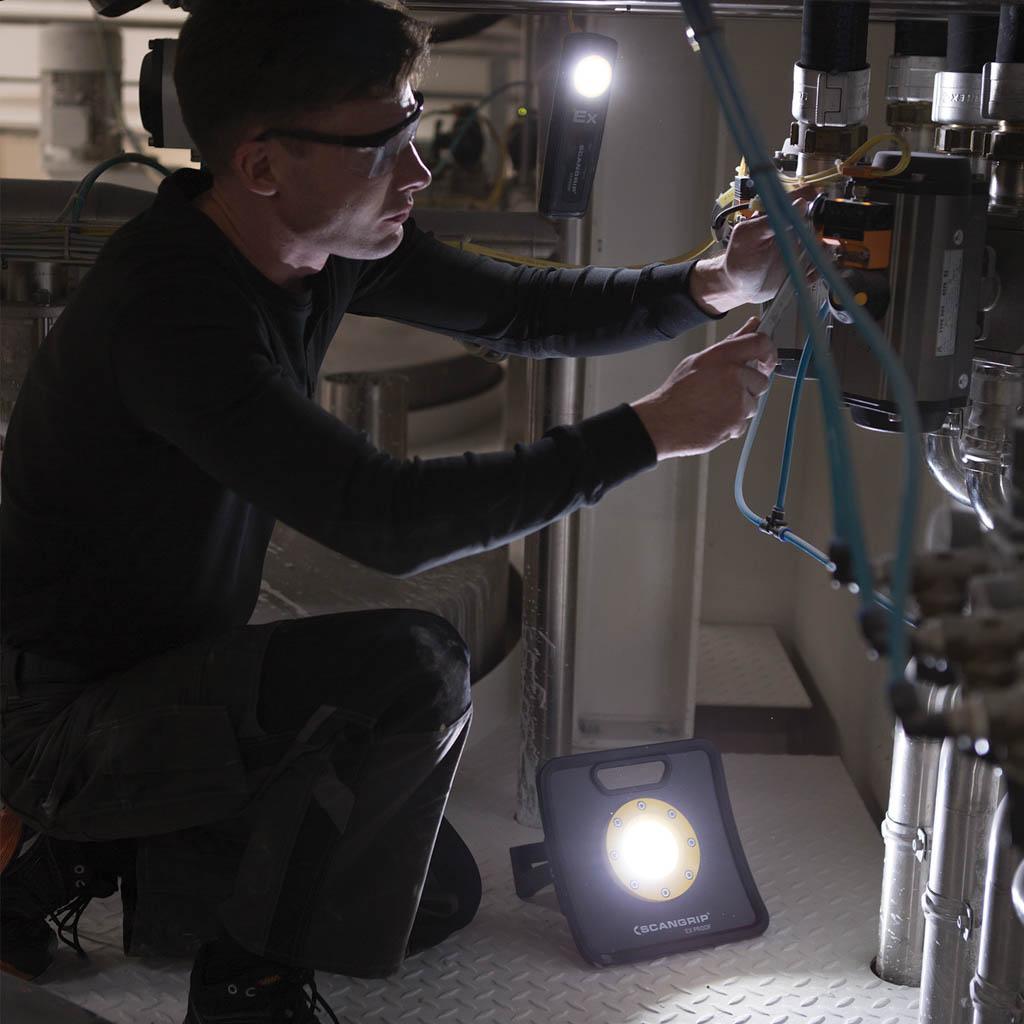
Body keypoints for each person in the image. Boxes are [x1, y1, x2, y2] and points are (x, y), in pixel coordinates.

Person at [0, 1, 791, 1020]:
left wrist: (710, 282)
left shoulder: (316, 241)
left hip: (162, 680)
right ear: (263, 164)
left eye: (413, 125)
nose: (417, 170)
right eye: (385, 144)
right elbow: (390, 520)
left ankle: (91, 858)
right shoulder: (171, 313)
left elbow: (518, 308)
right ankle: (243, 982)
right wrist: (646, 431)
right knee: (409, 672)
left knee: (432, 895)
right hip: (62, 727)